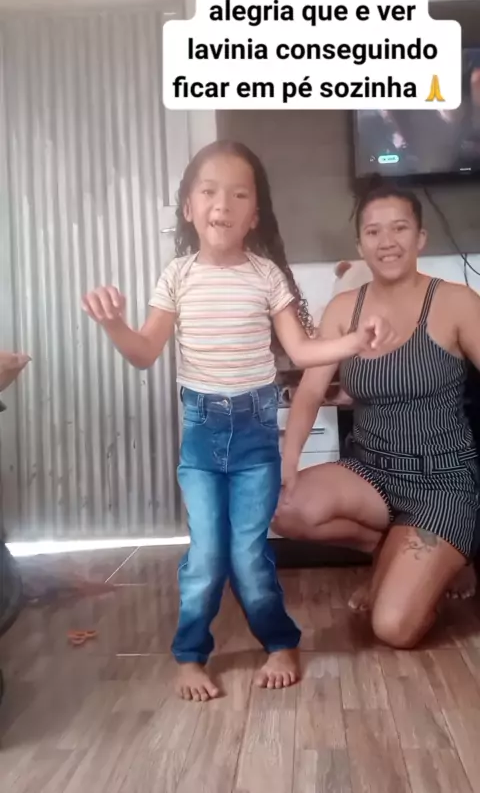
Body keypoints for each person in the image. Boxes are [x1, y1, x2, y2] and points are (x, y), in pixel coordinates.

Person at [81, 140, 391, 702]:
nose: (222, 203)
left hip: (254, 436)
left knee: (249, 554)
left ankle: (280, 642)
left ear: (254, 215)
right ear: (188, 208)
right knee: (206, 555)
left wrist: (353, 342)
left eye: (239, 194)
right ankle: (190, 656)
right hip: (202, 436)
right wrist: (115, 326)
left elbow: (301, 350)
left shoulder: (266, 275)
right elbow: (145, 353)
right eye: (209, 191)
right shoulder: (177, 276)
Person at [274, 181, 480, 650]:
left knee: (392, 627)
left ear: (420, 237)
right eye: (373, 231)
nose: (387, 241)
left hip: (442, 483)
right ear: (360, 243)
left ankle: (446, 556)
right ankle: (393, 551)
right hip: (370, 472)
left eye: (399, 228)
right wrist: (289, 460)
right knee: (280, 505)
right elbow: (310, 393)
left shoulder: (456, 303)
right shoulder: (345, 308)